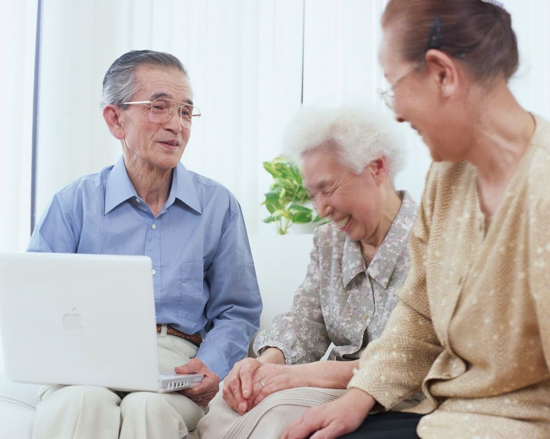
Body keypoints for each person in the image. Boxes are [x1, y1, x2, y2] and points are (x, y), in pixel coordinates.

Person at [282, 1, 550, 438]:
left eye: (394, 87)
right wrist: (357, 397)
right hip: (444, 415)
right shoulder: (447, 179)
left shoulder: (542, 186)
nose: (397, 113)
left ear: (442, 74)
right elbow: (418, 319)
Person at [28, 50, 262, 439]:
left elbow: (237, 309)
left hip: (174, 358)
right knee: (80, 403)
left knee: (148, 407)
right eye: (159, 108)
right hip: (85, 357)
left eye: (186, 112)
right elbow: (36, 301)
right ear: (115, 119)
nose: (177, 125)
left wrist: (212, 362)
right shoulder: (73, 203)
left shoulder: (217, 205)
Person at [196, 104, 418, 439]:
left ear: (377, 168)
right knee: (227, 407)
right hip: (339, 390)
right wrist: (266, 363)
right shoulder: (329, 241)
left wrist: (313, 374)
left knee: (279, 416)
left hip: (402, 400)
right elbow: (306, 320)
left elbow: (418, 356)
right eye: (312, 195)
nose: (321, 209)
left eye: (327, 189)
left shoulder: (432, 240)